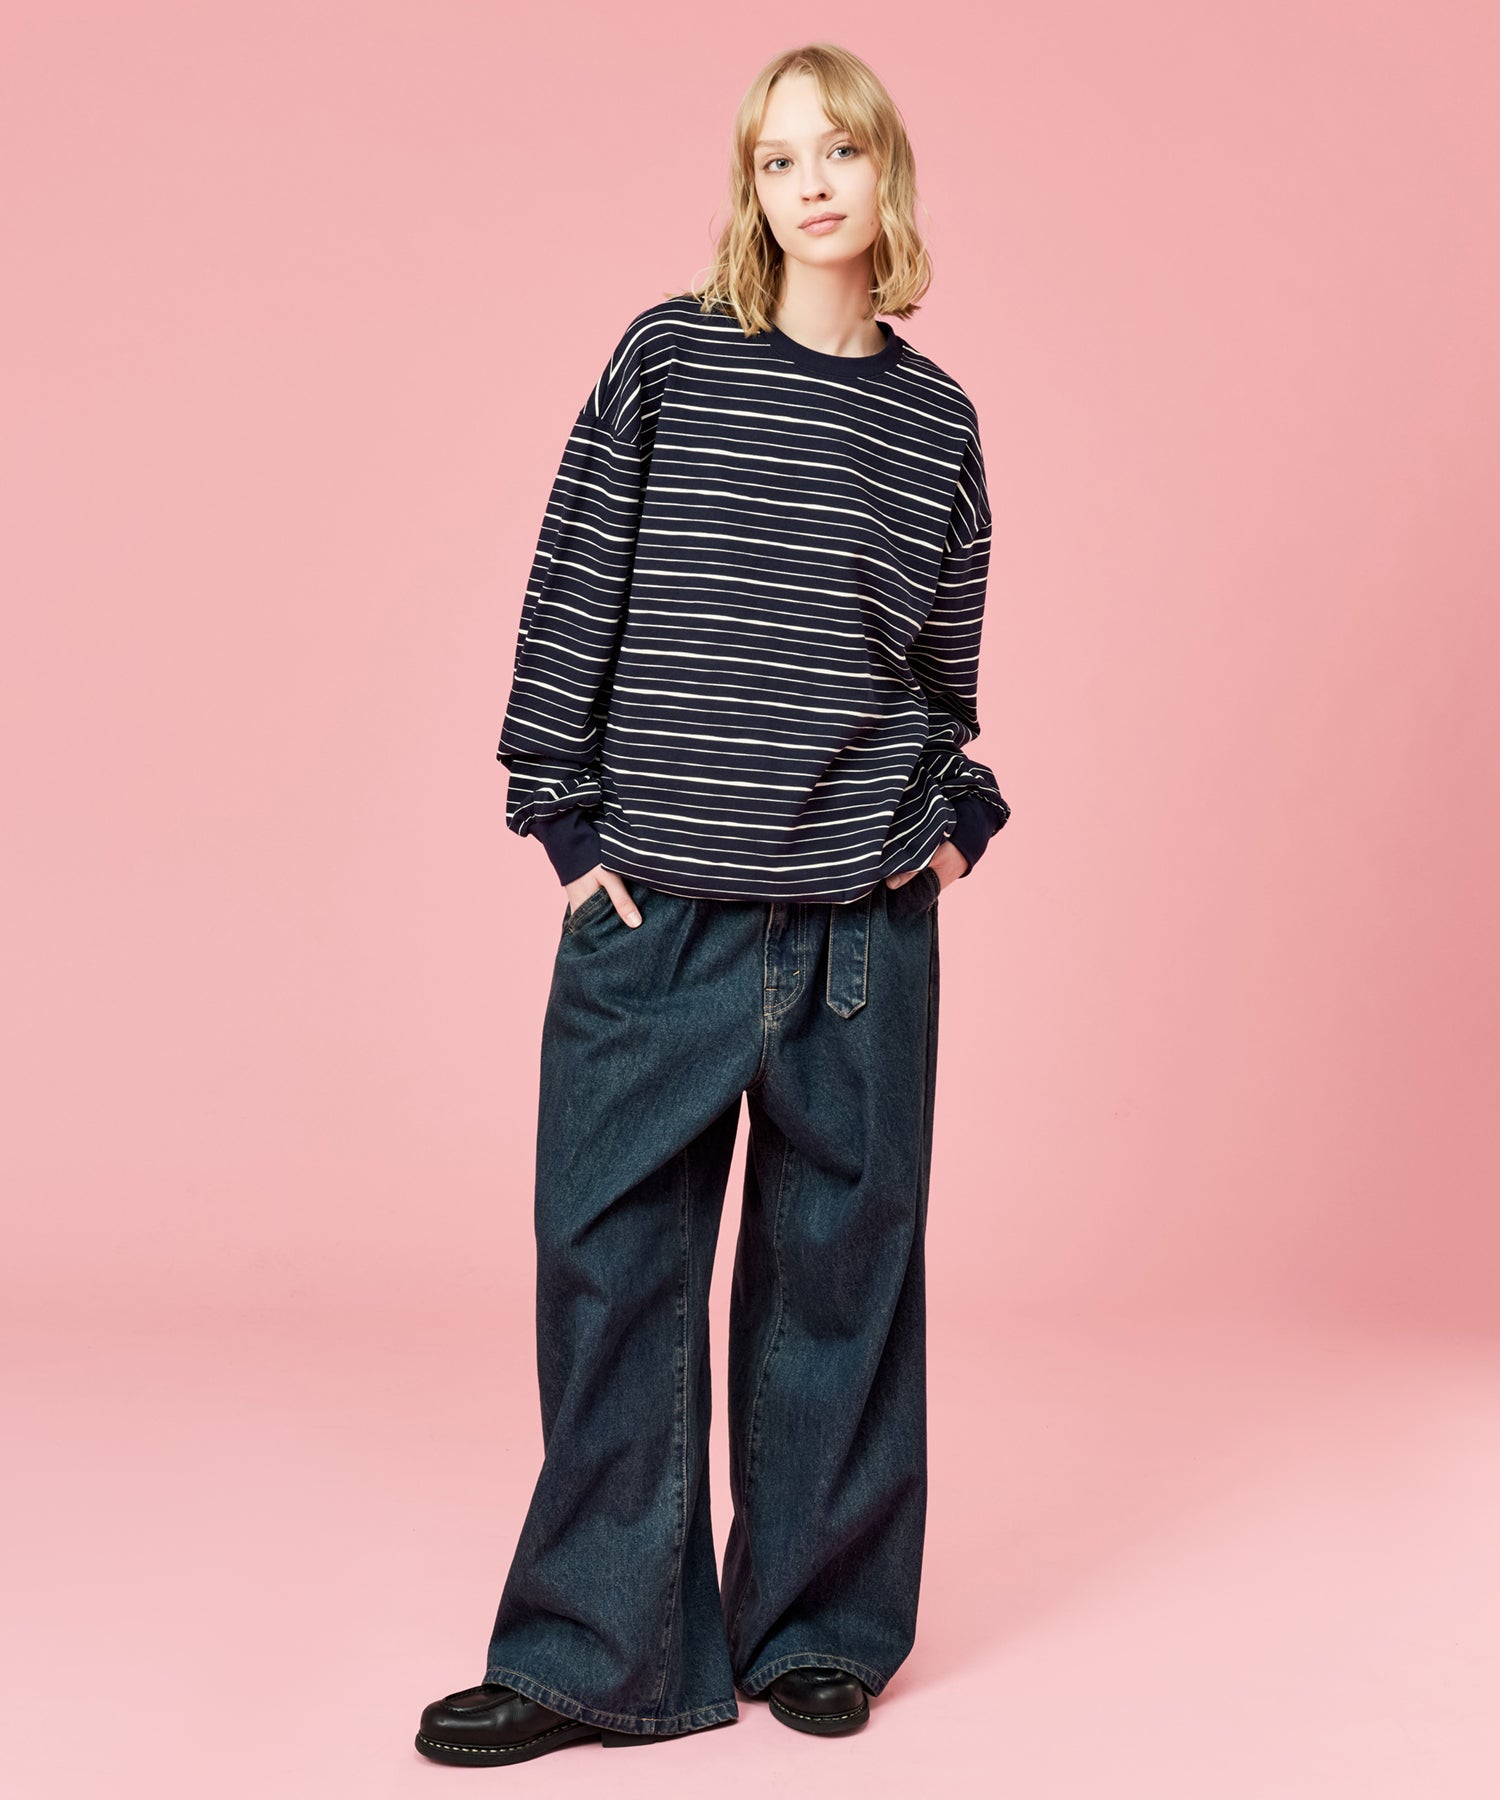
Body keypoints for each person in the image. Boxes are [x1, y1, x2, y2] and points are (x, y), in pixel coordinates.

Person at [416, 40, 1011, 1768]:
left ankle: (818, 1628)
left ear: (887, 175)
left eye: (840, 151)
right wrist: (559, 815)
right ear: (750, 190)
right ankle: (594, 1652)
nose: (812, 183)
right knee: (611, 1268)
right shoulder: (671, 357)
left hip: (855, 935)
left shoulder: (939, 425)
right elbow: (572, 583)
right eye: (778, 159)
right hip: (658, 913)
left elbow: (943, 675)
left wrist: (953, 824)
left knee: (841, 1283)